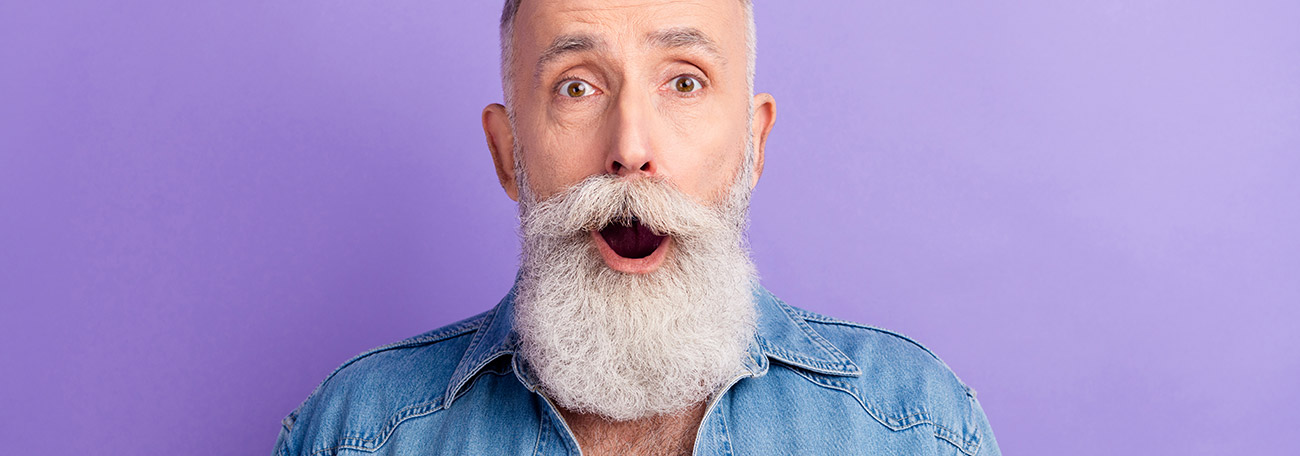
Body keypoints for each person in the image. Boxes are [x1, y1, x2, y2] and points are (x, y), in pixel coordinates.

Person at [273, 1, 1000, 454]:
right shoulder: (357, 434)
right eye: (577, 86)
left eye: (684, 81)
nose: (630, 147)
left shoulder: (915, 430)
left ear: (754, 147)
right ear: (508, 154)